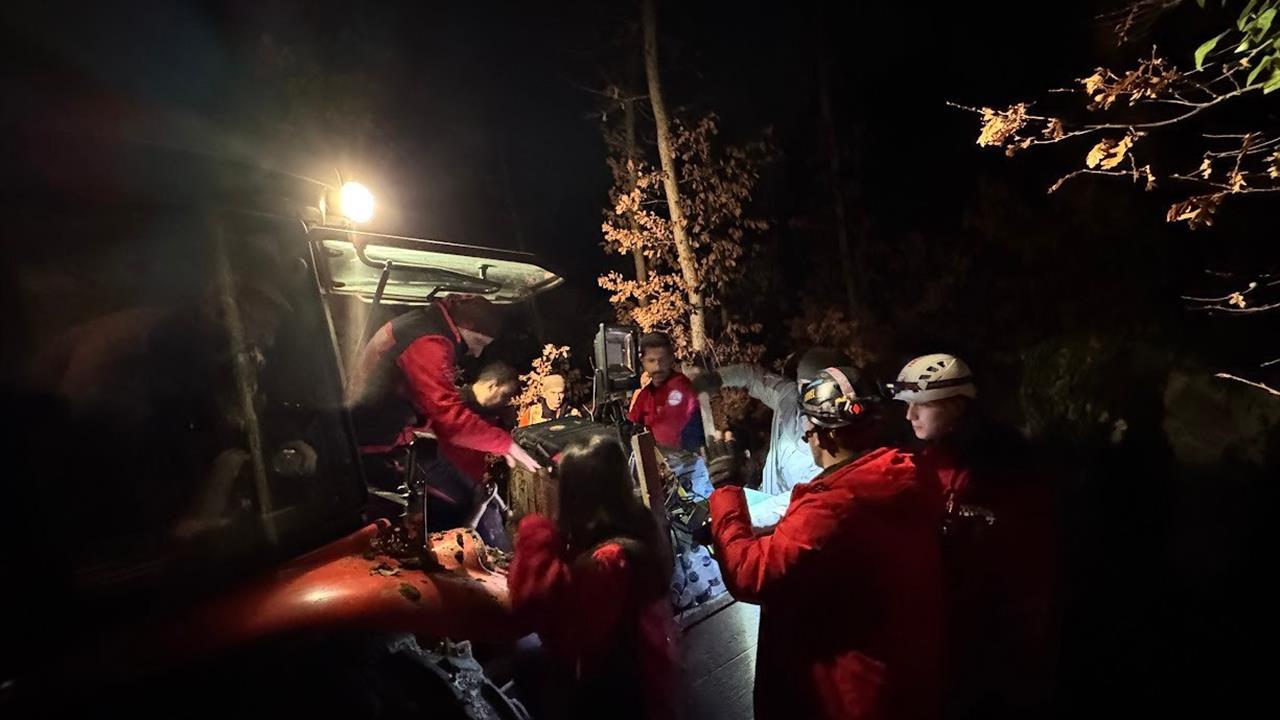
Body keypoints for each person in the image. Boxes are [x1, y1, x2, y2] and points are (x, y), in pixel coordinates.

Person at [706, 366, 945, 720]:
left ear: (825, 436)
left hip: (846, 689)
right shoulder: (910, 472)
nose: (808, 439)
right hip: (905, 668)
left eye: (809, 432)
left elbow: (749, 573)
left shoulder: (829, 507)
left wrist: (726, 490)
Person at [889, 354, 1057, 719]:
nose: (910, 415)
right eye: (907, 405)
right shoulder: (931, 454)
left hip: (995, 628)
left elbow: (1021, 552)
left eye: (922, 405)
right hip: (956, 620)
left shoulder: (1001, 464)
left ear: (957, 405)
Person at [507, 432, 677, 720]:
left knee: (524, 658)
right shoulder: (637, 524)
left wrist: (537, 534)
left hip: (617, 695)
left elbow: (545, 617)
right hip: (643, 675)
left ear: (574, 495)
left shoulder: (610, 560)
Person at [345, 295, 539, 509]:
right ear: (466, 325)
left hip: (388, 438)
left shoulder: (419, 324)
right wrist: (505, 444)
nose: (476, 353)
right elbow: (449, 419)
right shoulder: (428, 342)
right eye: (479, 342)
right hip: (374, 449)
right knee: (462, 506)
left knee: (471, 494)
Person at [692, 346, 848, 528]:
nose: (806, 398)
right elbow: (754, 377)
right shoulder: (789, 398)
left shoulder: (830, 451)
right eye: (804, 388)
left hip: (784, 525)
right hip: (764, 497)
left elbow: (788, 506)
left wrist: (729, 515)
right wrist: (717, 379)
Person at [421, 362, 520, 548]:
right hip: (446, 494)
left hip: (471, 491)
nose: (506, 401)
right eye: (505, 394)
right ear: (492, 386)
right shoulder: (453, 407)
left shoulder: (489, 412)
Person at [627, 331, 711, 497]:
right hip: (663, 474)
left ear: (672, 358)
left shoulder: (682, 387)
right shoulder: (646, 394)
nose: (658, 367)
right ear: (643, 362)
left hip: (690, 471)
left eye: (662, 360)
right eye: (651, 361)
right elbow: (633, 423)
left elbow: (676, 429)